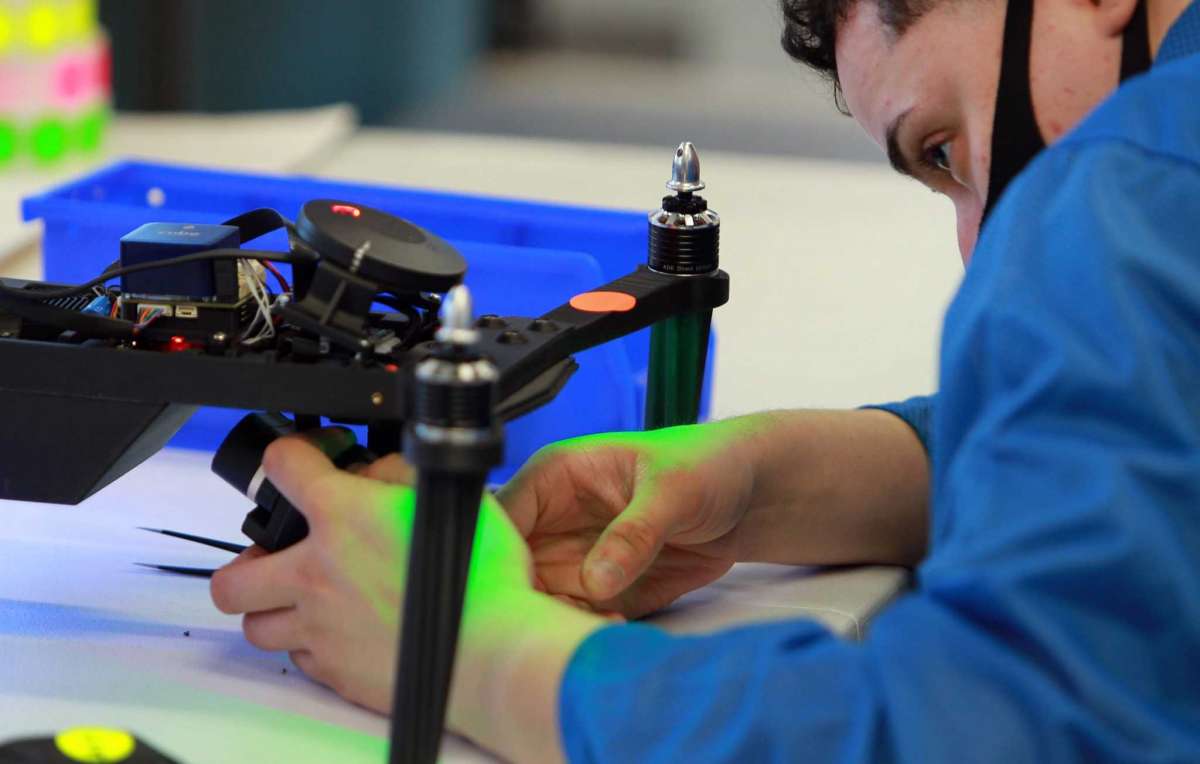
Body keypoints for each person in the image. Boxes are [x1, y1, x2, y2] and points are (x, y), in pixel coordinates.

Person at [208, 0, 1200, 759]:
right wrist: (789, 476)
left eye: (941, 145)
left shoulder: (1131, 188)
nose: (978, 239)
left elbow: (994, 727)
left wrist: (477, 651)